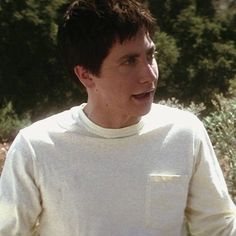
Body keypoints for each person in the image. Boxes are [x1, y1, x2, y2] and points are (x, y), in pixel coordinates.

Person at [0, 0, 236, 235]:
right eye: (129, 61)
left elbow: (218, 227)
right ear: (86, 75)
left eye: (150, 55)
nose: (149, 75)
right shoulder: (36, 147)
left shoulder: (184, 133)